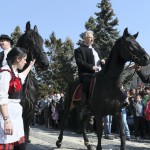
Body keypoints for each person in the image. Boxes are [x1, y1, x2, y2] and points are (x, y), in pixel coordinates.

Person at [0, 47, 35, 150]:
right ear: (18, 59)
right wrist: (7, 121)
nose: (25, 62)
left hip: (16, 117)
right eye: (24, 59)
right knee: (7, 145)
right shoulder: (5, 73)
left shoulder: (14, 73)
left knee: (20, 146)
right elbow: (1, 98)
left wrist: (30, 66)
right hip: (6, 116)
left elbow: (22, 76)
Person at [74, 30, 105, 104]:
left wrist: (102, 62)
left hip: (100, 73)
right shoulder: (78, 50)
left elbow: (100, 60)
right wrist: (91, 67)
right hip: (87, 74)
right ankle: (85, 104)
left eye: (92, 37)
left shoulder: (96, 50)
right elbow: (80, 62)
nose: (92, 39)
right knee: (87, 83)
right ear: (85, 38)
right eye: (90, 37)